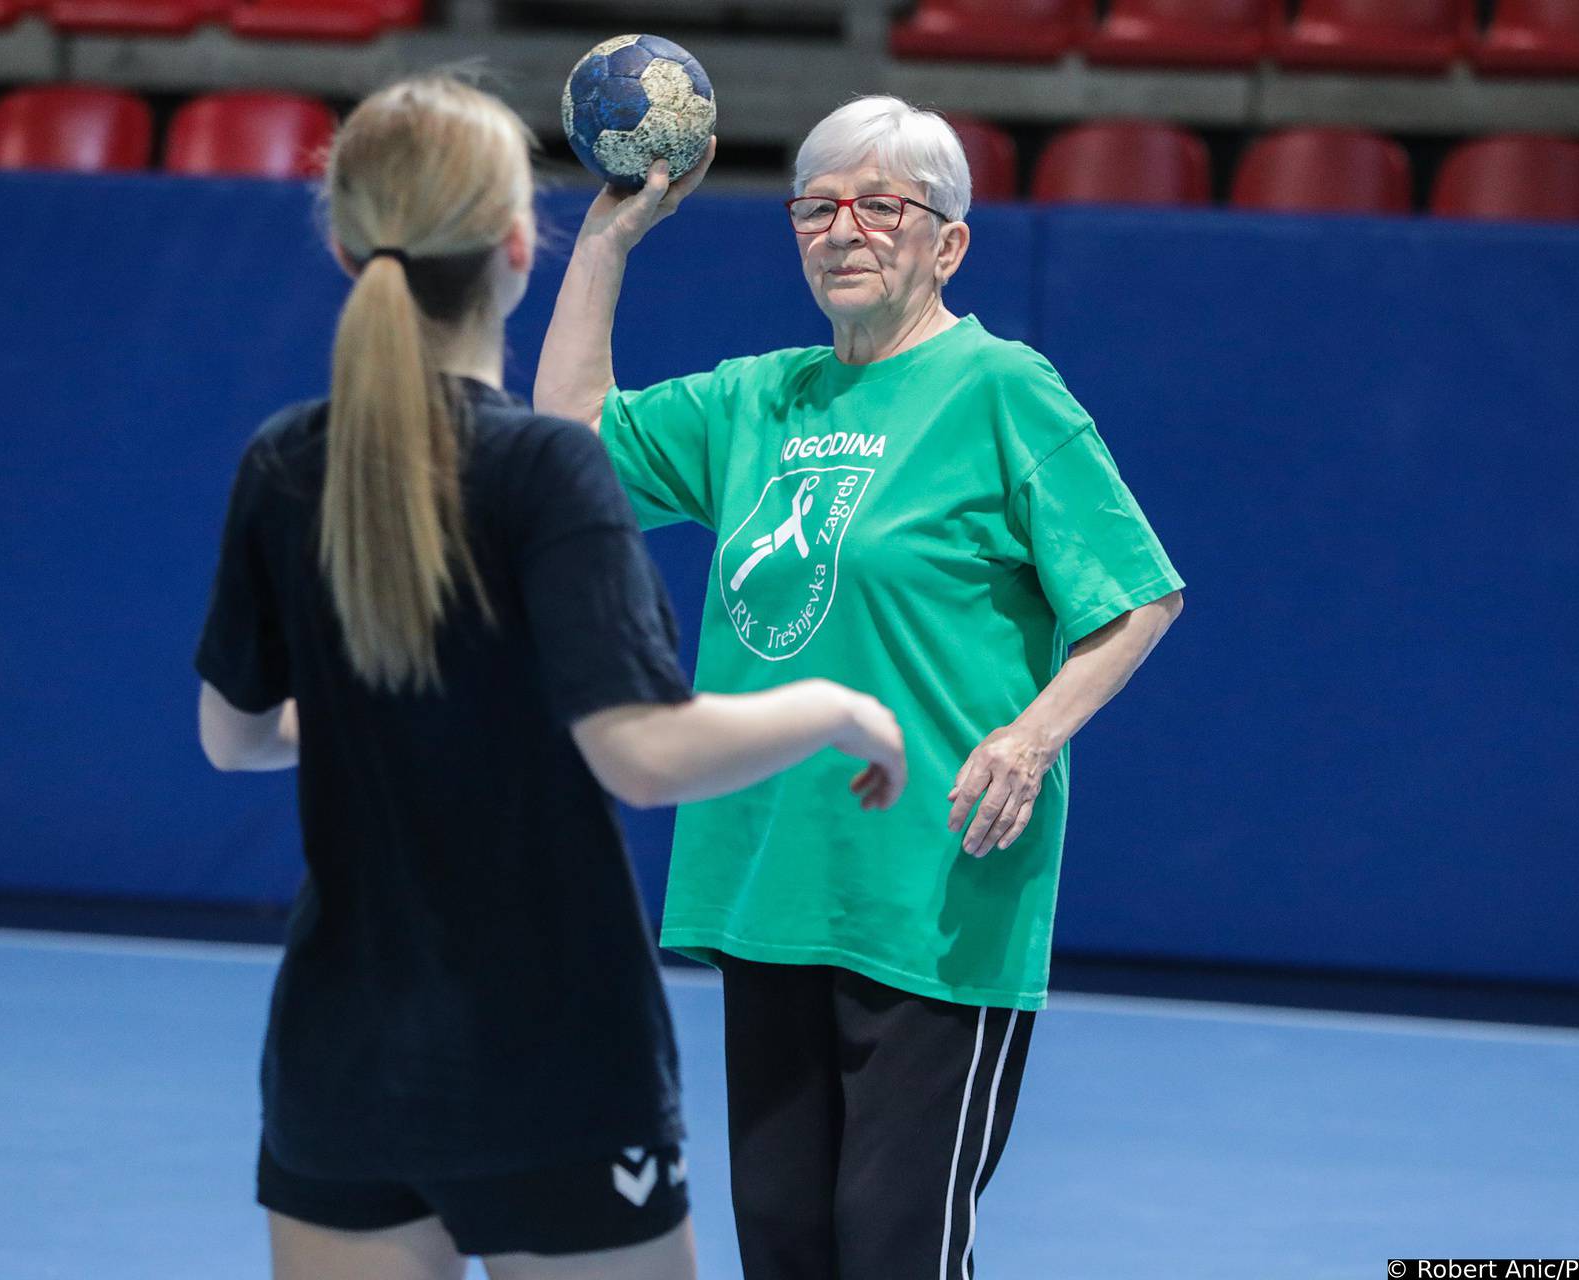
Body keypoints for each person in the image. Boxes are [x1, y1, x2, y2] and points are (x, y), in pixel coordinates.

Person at [193, 74, 906, 1280]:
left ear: (345, 237)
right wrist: (839, 709)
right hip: (551, 1053)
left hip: (338, 1056)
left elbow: (235, 736)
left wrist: (385, 713)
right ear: (519, 246)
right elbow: (643, 754)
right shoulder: (542, 472)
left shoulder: (283, 463)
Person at [534, 95, 1188, 1279]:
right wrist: (605, 243)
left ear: (950, 242)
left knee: (895, 1249)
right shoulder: (757, 399)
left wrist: (1034, 736)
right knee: (786, 1243)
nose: (845, 231)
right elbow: (570, 432)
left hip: (937, 891)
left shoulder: (1001, 386)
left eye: (883, 207)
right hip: (770, 878)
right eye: (818, 208)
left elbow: (1138, 595)